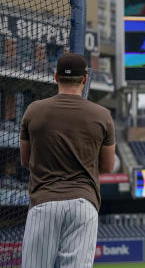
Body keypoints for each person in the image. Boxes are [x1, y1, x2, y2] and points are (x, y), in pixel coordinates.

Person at [20, 53, 115, 267]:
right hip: (84, 204)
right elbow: (107, 167)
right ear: (84, 79)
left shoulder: (33, 110)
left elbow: (25, 161)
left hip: (43, 203)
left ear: (55, 77)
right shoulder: (102, 115)